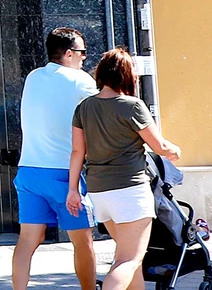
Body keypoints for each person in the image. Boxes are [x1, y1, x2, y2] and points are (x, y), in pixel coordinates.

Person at [68, 48, 183, 290]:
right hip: (130, 190)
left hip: (99, 192)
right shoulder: (132, 106)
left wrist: (72, 191)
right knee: (128, 260)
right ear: (127, 75)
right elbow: (159, 146)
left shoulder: (84, 107)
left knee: (132, 259)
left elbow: (78, 152)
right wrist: (174, 150)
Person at [13, 27, 100, 290]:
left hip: (28, 170)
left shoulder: (33, 76)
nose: (85, 57)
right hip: (62, 173)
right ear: (70, 53)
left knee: (28, 239)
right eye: (82, 52)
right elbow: (103, 108)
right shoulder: (80, 80)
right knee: (82, 240)